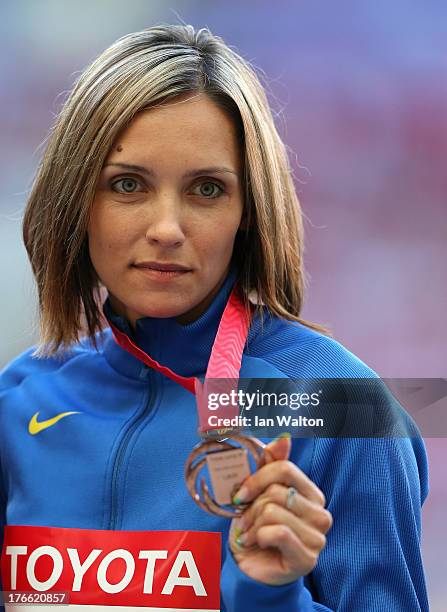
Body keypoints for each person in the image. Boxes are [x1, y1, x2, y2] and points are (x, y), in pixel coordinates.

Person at [0, 24, 429, 611]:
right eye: (127, 185)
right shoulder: (20, 399)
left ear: (248, 210)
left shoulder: (336, 403)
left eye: (206, 190)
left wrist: (271, 596)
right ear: (76, 201)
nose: (167, 229)